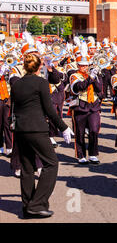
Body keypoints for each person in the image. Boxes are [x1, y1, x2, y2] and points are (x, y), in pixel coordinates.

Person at [11, 53, 74, 219]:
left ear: (24, 66)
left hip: (20, 129)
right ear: (39, 66)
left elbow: (15, 108)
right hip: (36, 129)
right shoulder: (41, 82)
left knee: (27, 168)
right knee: (51, 164)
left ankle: (27, 207)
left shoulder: (17, 84)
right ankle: (37, 204)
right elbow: (49, 109)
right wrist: (64, 127)